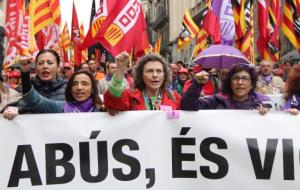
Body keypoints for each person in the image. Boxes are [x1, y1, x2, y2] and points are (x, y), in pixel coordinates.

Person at [14, 61, 104, 114]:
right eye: (75, 84)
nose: (79, 87)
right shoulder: (61, 107)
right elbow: (33, 99)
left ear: (92, 89)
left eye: (84, 84)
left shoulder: (103, 110)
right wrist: (25, 72)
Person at [104, 52, 181, 113]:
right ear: (141, 75)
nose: (155, 75)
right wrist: (120, 70)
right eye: (149, 71)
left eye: (159, 71)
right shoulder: (131, 97)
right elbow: (113, 100)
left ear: (165, 75)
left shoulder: (175, 98)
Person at [181, 63, 270, 114]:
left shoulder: (259, 105)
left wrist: (265, 116)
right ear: (229, 83)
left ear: (251, 85)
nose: (240, 82)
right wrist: (197, 84)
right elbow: (187, 106)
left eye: (244, 78)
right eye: (236, 78)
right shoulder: (216, 101)